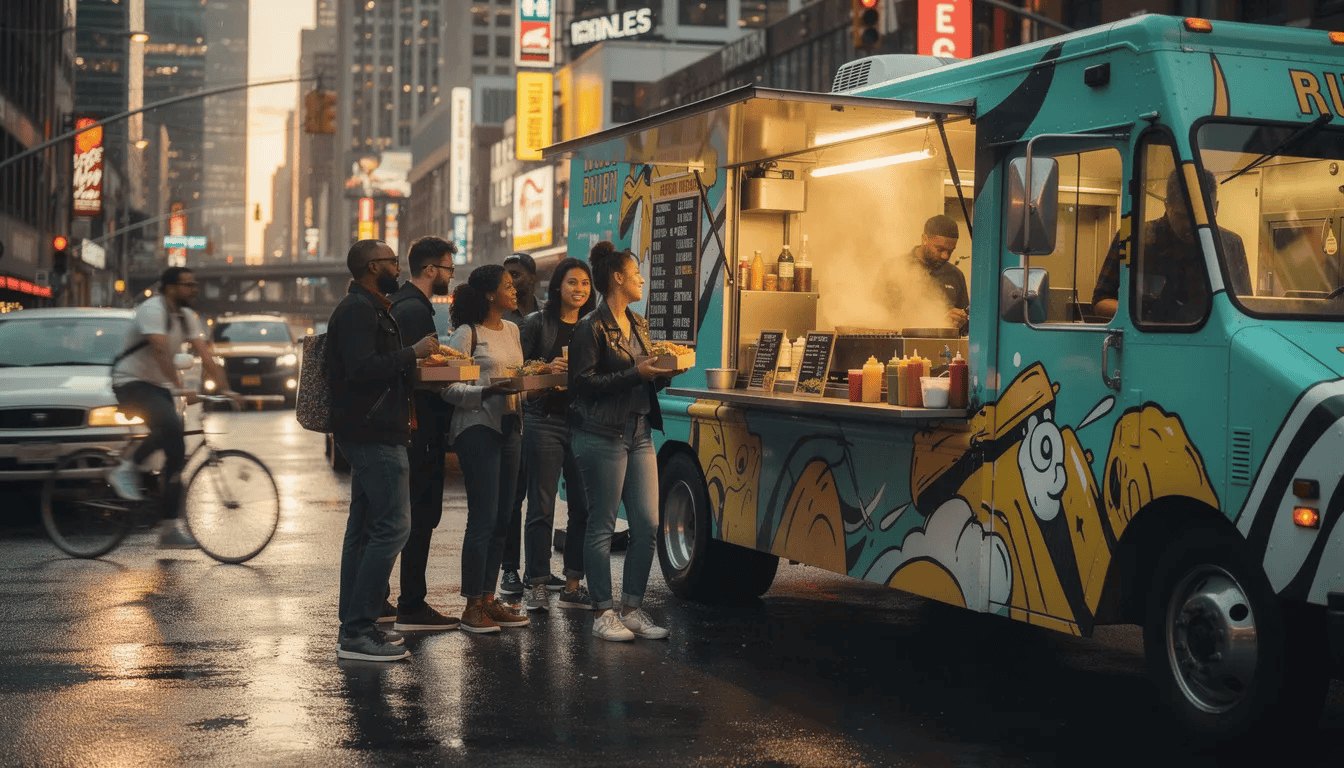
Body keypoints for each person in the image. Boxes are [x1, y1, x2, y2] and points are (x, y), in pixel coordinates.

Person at [328, 239, 440, 662]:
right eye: (392, 262)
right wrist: (413, 353)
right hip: (374, 431)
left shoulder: (371, 307)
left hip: (372, 428)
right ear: (374, 267)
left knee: (363, 529)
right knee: (393, 527)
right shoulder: (359, 310)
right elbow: (361, 370)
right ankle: (357, 631)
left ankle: (358, 624)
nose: (398, 267)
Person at [569, 241, 682, 642]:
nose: (641, 280)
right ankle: (603, 613)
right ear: (617, 278)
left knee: (648, 524)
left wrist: (666, 371)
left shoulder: (639, 324)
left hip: (640, 432)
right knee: (601, 526)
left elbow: (645, 371)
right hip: (600, 434)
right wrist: (638, 374)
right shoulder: (590, 327)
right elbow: (581, 385)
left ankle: (631, 608)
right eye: (635, 274)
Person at [107, 267, 237, 547]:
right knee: (168, 425)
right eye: (187, 285)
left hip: (158, 387)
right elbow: (160, 349)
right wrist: (178, 388)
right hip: (130, 383)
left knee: (176, 451)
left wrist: (226, 389)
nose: (194, 289)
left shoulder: (187, 317)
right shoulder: (151, 309)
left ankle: (168, 530)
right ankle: (126, 466)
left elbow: (206, 354)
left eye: (194, 284)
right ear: (169, 288)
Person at [441, 265, 532, 634]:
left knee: (503, 518)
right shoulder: (467, 334)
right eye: (509, 286)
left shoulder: (511, 330)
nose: (515, 290)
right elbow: (446, 389)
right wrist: (486, 391)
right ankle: (471, 606)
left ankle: (489, 599)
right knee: (482, 518)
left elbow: (519, 378)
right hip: (477, 428)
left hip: (511, 426)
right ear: (491, 294)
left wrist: (541, 383)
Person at [386, 236, 460, 632]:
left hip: (402, 427)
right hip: (419, 429)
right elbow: (420, 373)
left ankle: (381, 598)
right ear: (431, 271)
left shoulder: (399, 304)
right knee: (420, 517)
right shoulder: (415, 310)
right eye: (449, 268)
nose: (451, 275)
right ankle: (412, 603)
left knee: (396, 516)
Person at [519, 258, 598, 613]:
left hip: (583, 422)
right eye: (572, 283)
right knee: (542, 504)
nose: (579, 289)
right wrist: (545, 368)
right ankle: (536, 582)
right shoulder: (537, 324)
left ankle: (572, 584)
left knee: (582, 505)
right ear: (557, 287)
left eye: (585, 283)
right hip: (545, 420)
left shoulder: (595, 326)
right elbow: (517, 371)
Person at [1091, 170, 1251, 323]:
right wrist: (1146, 315)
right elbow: (1100, 301)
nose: (1191, 225)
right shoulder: (1131, 237)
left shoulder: (1231, 244)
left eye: (1201, 216)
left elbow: (1245, 305)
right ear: (1167, 205)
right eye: (1182, 216)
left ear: (1215, 208)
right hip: (1149, 343)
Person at [498, 251, 542, 597]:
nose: (511, 281)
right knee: (513, 498)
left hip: (545, 417)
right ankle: (509, 568)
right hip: (512, 416)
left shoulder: (548, 314)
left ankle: (539, 572)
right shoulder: (499, 317)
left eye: (517, 274)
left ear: (533, 277)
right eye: (506, 275)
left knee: (542, 500)